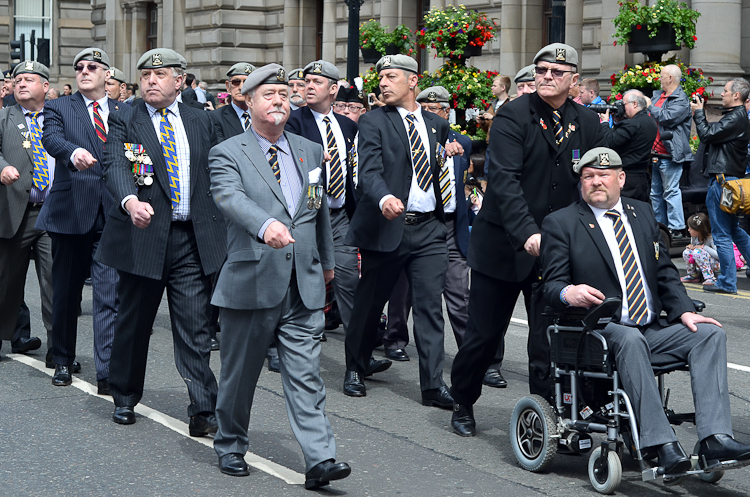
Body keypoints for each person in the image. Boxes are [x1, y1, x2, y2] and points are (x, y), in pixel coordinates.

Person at [541, 146, 750, 476]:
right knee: (630, 339)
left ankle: (714, 439)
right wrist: (570, 291)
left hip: (651, 326)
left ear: (621, 179)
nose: (595, 182)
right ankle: (660, 444)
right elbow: (550, 286)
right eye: (588, 176)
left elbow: (665, 271)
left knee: (709, 333)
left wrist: (683, 311)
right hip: (601, 331)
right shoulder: (562, 223)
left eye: (603, 175)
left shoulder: (642, 214)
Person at [449, 43, 606, 437]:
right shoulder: (512, 116)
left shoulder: (586, 122)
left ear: (574, 79)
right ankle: (463, 400)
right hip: (504, 245)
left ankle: (545, 419)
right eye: (541, 70)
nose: (547, 76)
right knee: (483, 337)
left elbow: (590, 183)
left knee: (547, 342)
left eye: (556, 70)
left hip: (555, 253)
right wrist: (528, 234)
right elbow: (504, 181)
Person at [208, 63, 351, 489]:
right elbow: (227, 197)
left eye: (284, 94)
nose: (278, 101)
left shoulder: (309, 150)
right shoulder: (228, 151)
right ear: (247, 101)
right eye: (268, 94)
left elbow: (318, 208)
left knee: (306, 374)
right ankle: (231, 443)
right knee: (240, 374)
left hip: (303, 281)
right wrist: (263, 225)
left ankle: (321, 458)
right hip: (251, 279)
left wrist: (326, 262)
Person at [94, 48, 225, 434]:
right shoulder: (126, 117)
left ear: (179, 81)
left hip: (191, 238)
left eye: (161, 74)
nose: (151, 80)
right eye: (146, 75)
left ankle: (203, 408)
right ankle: (124, 395)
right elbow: (116, 164)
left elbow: (217, 170)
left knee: (195, 325)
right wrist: (129, 200)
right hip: (144, 235)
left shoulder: (201, 120)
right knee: (135, 322)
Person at [343, 54, 462, 407]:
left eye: (391, 76)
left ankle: (432, 385)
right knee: (369, 303)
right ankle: (355, 366)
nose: (382, 82)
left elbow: (439, 165)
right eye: (380, 77)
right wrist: (383, 199)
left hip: (428, 230)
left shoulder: (435, 124)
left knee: (429, 308)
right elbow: (369, 171)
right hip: (388, 226)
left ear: (413, 81)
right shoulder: (373, 122)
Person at [39, 48, 127, 394]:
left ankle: (106, 370)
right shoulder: (60, 106)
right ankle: (62, 358)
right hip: (71, 211)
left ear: (108, 75)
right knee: (66, 292)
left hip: (112, 213)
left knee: (108, 294)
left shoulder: (124, 110)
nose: (84, 71)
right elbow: (51, 137)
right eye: (79, 67)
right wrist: (72, 152)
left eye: (92, 67)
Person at [383, 86, 472, 363]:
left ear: (447, 112)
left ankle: (471, 353)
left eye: (437, 109)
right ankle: (395, 338)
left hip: (450, 226)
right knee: (402, 290)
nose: (432, 114)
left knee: (459, 294)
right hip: (417, 222)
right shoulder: (408, 136)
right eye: (426, 109)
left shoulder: (462, 143)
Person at [285, 60, 361, 367]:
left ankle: (358, 358)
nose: (308, 86)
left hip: (340, 215)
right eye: (306, 81)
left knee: (349, 282)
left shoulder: (348, 126)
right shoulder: (293, 121)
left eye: (316, 81)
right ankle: (290, 346)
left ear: (333, 89)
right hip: (306, 215)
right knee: (300, 281)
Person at [0, 61, 53, 358]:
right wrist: (3, 167)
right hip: (16, 210)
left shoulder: (59, 117)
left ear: (44, 86)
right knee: (6, 282)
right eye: (17, 79)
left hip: (53, 212)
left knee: (54, 284)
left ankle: (59, 351)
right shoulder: (4, 117)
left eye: (28, 79)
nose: (20, 84)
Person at [692, 77, 750, 294]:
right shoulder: (737, 117)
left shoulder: (736, 117)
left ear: (736, 95)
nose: (721, 93)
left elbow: (706, 135)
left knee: (722, 234)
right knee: (734, 229)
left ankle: (726, 282)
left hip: (723, 183)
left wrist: (699, 112)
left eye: (725, 90)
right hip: (729, 182)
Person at [648, 64, 692, 242]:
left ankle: (676, 229)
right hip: (655, 154)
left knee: (671, 191)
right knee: (655, 193)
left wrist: (649, 106)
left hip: (670, 154)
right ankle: (661, 227)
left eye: (662, 75)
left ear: (670, 78)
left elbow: (668, 117)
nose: (659, 78)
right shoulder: (658, 96)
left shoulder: (681, 99)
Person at [601, 89, 657, 202]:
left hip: (628, 179)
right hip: (642, 177)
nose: (622, 108)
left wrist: (605, 123)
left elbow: (610, 142)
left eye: (624, 104)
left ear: (634, 104)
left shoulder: (631, 124)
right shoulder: (650, 122)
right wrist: (618, 120)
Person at [210, 62, 255, 142]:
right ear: (228, 86)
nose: (241, 87)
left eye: (247, 82)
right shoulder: (215, 118)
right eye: (236, 83)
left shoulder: (265, 115)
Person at [682, 213, 719, 285]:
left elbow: (718, 255)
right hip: (703, 262)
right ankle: (693, 275)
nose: (689, 230)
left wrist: (704, 247)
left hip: (716, 264)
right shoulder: (694, 237)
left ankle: (710, 278)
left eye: (691, 228)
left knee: (697, 252)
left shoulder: (711, 238)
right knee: (686, 252)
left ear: (699, 230)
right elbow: (694, 248)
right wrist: (691, 247)